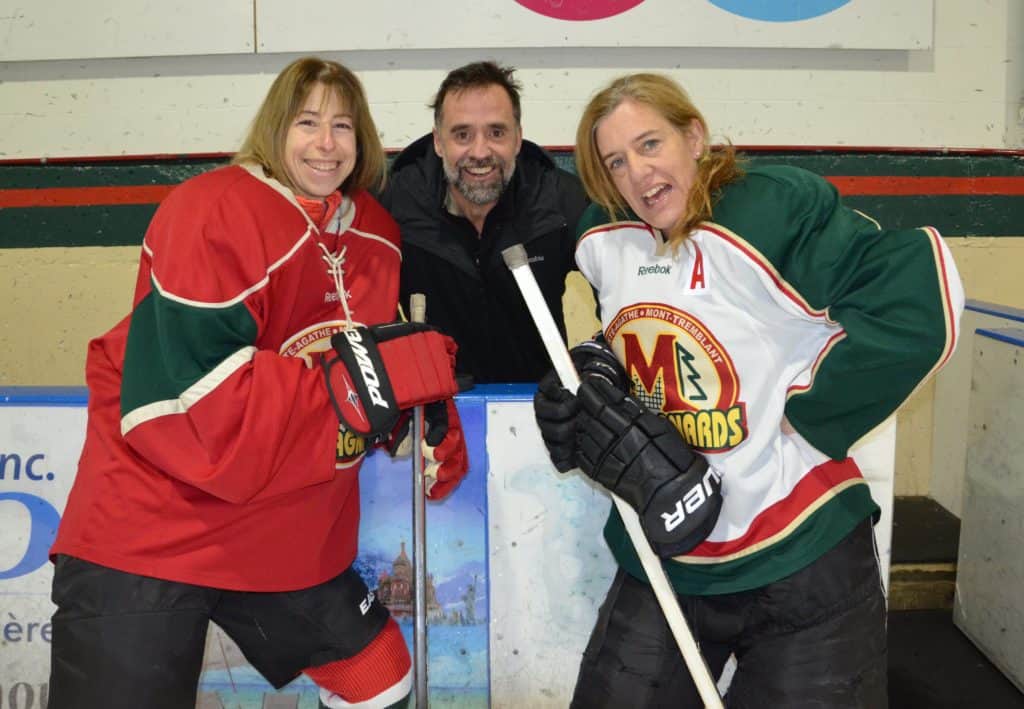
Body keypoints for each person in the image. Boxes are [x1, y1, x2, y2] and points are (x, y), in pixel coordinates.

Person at [47, 57, 468, 709]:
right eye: (307, 122)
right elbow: (190, 405)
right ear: (275, 128)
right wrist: (352, 393)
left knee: (378, 678)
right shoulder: (211, 209)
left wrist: (417, 421)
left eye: (342, 126)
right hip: (154, 525)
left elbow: (366, 378)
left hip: (276, 532)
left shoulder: (377, 238)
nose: (326, 143)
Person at [534, 73, 964, 708]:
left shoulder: (767, 210)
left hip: (800, 551)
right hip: (670, 544)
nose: (637, 174)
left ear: (695, 136)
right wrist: (598, 373)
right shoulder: (604, 238)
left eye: (650, 145)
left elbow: (918, 301)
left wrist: (810, 413)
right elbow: (646, 332)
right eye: (616, 162)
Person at [380, 60, 589, 384]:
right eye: (462, 134)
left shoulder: (557, 198)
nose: (480, 151)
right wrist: (404, 372)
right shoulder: (396, 202)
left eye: (496, 132)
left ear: (518, 139)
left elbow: (625, 281)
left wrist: (600, 367)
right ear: (438, 142)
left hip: (542, 408)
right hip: (439, 408)